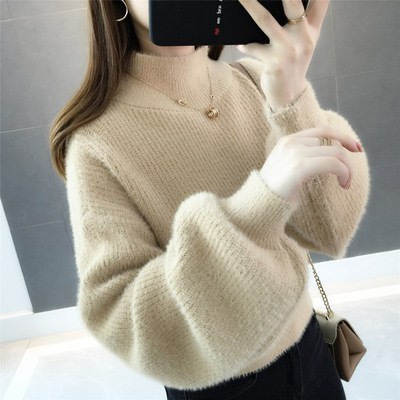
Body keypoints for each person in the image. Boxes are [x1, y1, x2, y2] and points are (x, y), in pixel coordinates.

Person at [49, 0, 370, 399]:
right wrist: (257, 206)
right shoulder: (96, 142)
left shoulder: (257, 80)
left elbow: (330, 231)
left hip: (309, 347)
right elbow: (124, 317)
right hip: (220, 384)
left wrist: (292, 98)